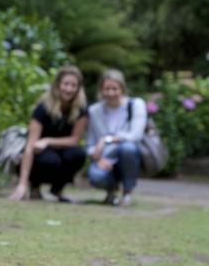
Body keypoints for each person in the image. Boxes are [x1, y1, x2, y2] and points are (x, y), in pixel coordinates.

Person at [9, 66, 88, 202]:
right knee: (50, 160)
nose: (69, 89)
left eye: (73, 85)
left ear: (78, 88)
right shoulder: (43, 107)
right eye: (66, 84)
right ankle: (34, 186)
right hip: (39, 153)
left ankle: (57, 189)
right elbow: (30, 145)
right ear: (58, 85)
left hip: (59, 149)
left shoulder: (81, 109)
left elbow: (75, 140)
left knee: (78, 154)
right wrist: (22, 184)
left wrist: (47, 141)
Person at [86, 69, 146, 206]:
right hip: (106, 159)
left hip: (127, 157)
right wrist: (99, 159)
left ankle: (127, 192)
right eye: (106, 89)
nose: (110, 93)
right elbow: (89, 144)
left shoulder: (135, 104)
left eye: (115, 88)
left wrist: (107, 139)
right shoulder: (94, 111)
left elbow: (136, 135)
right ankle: (111, 192)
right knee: (96, 175)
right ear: (101, 90)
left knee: (127, 148)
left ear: (122, 89)